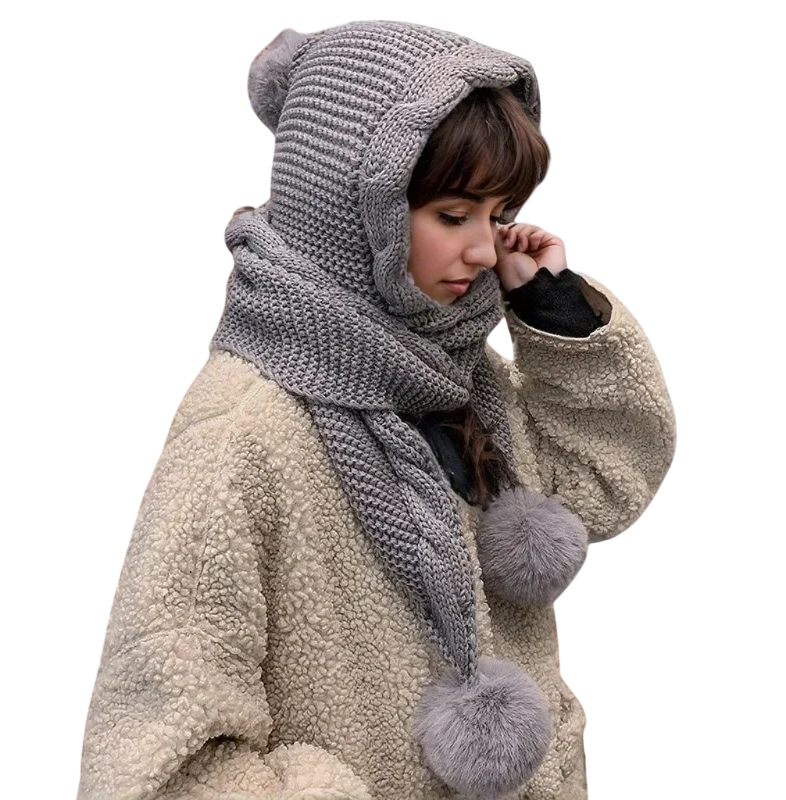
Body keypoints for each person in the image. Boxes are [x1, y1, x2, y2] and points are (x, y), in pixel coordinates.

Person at [76, 20, 677, 800]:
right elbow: (153, 764)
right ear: (353, 211)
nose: (484, 251)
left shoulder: (462, 382)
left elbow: (602, 479)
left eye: (498, 215)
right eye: (453, 216)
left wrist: (552, 307)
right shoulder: (243, 433)